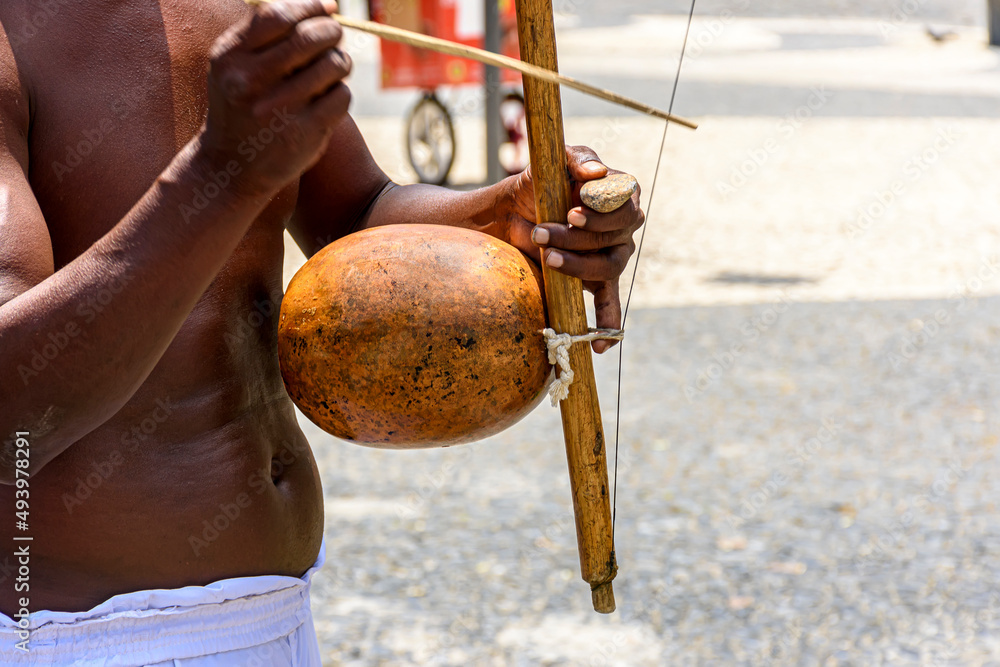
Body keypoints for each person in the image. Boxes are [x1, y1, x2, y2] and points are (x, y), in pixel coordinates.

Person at [0, 1, 645, 663]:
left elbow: (357, 209)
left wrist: (512, 218)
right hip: (89, 636)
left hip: (276, 608)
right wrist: (220, 173)